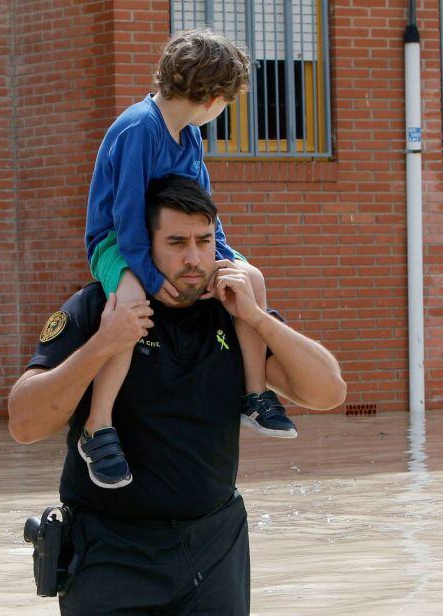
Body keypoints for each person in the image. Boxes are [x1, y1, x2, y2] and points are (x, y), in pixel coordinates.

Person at [8, 175, 346, 616]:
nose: (193, 257)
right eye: (176, 242)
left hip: (213, 548)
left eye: (204, 241)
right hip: (110, 548)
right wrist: (102, 346)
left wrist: (258, 316)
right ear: (145, 245)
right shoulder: (100, 307)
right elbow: (24, 423)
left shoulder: (237, 313)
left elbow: (329, 391)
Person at [81, 28, 297, 491]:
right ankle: (97, 427)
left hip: (175, 240)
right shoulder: (141, 127)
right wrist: (146, 271)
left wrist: (222, 260)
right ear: (213, 96)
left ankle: (255, 395)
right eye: (227, 102)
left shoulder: (190, 136)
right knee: (132, 301)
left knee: (250, 277)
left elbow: (203, 210)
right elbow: (125, 210)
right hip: (118, 241)